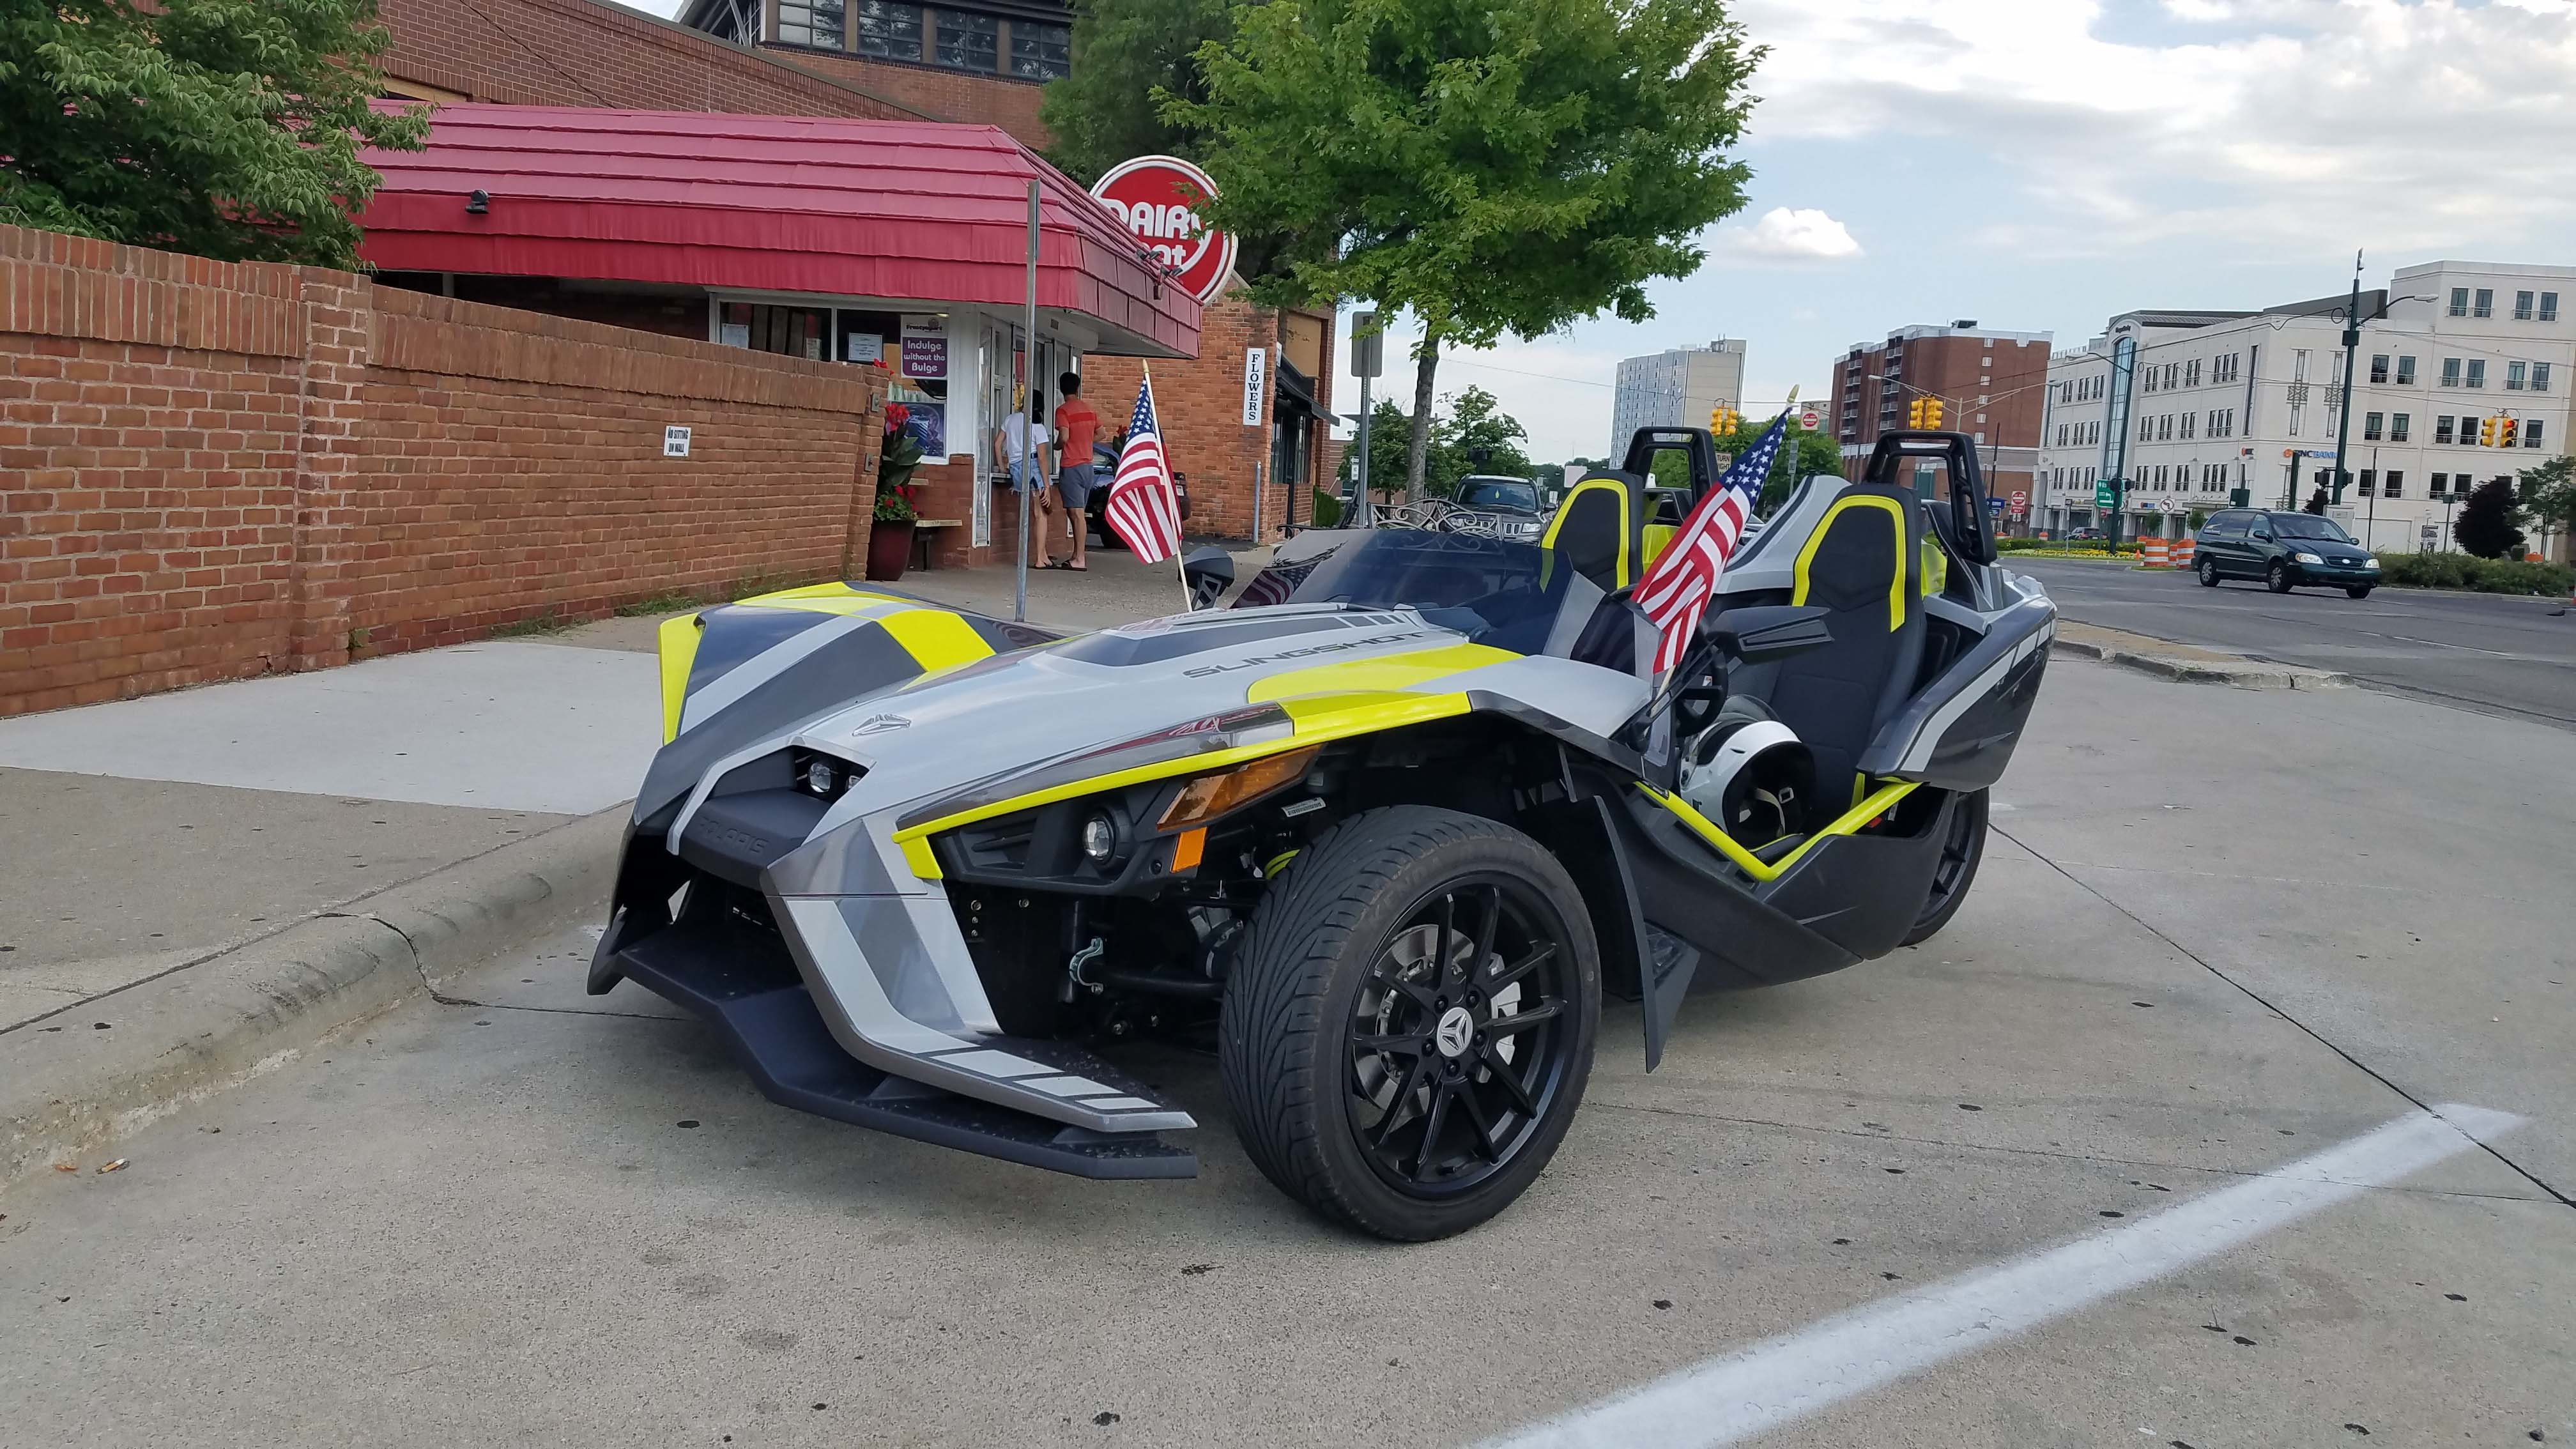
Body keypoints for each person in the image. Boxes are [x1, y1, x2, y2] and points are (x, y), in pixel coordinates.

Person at [993, 386, 1054, 565]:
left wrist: (1003, 467)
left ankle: (1043, 555)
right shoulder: (1037, 426)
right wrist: (1047, 485)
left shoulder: (1010, 420)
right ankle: (1039, 559)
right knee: (1041, 514)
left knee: (1031, 512)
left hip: (1016, 468)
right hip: (1034, 468)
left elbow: (997, 444)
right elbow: (1042, 458)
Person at [1049, 371, 1101, 571]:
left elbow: (1063, 436)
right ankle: (1076, 556)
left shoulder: (1063, 411)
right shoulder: (1089, 410)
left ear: (1062, 389)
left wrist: (1056, 447)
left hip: (1072, 465)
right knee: (1077, 513)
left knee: (1076, 514)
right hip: (1088, 466)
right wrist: (1086, 442)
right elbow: (1102, 433)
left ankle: (1080, 559)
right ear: (1077, 387)